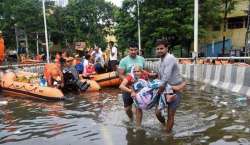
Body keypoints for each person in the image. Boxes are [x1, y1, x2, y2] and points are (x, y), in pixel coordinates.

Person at [154, 39, 185, 133]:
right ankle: (164, 125)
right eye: (158, 49)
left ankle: (167, 135)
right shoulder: (159, 62)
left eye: (161, 48)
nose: (159, 50)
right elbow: (160, 76)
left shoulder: (170, 58)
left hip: (175, 89)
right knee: (158, 113)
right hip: (164, 89)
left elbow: (166, 76)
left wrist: (160, 89)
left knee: (170, 114)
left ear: (167, 48)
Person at [118, 43, 145, 122]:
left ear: (138, 50)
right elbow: (120, 75)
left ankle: (138, 127)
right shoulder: (124, 60)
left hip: (139, 88)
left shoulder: (141, 59)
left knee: (139, 107)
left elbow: (144, 72)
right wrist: (129, 80)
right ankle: (131, 118)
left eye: (135, 50)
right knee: (127, 109)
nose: (133, 52)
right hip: (127, 87)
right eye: (131, 50)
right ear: (128, 50)